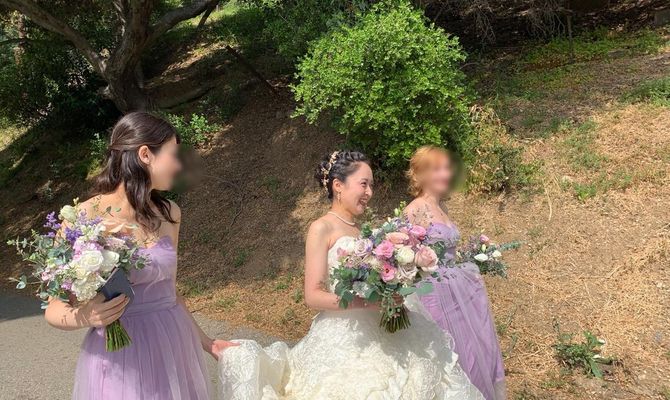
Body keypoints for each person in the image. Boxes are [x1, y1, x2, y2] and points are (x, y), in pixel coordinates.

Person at [219, 150, 483, 400]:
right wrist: (367, 302)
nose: (369, 192)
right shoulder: (321, 228)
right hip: (346, 335)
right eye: (364, 184)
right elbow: (313, 295)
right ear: (338, 185)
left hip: (385, 329)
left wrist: (395, 288)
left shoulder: (365, 232)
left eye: (371, 186)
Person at [43, 112, 237, 400]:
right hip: (121, 358)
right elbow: (54, 308)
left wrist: (208, 344)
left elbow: (170, 293)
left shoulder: (170, 213)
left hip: (173, 347)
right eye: (173, 155)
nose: (179, 165)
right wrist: (85, 315)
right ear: (145, 154)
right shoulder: (83, 219)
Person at [405, 145, 506, 400]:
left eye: (447, 169)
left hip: (456, 291)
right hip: (432, 295)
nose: (446, 175)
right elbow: (405, 257)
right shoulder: (415, 209)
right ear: (422, 174)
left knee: (471, 351)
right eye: (438, 169)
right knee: (448, 353)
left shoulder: (442, 208)